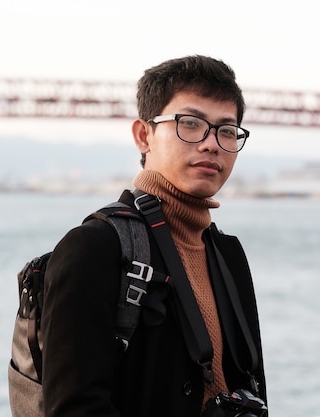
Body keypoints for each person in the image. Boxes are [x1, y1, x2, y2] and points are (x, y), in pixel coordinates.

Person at [41, 55, 267, 417]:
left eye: (227, 130)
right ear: (144, 135)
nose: (212, 144)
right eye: (190, 124)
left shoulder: (228, 253)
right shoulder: (95, 248)